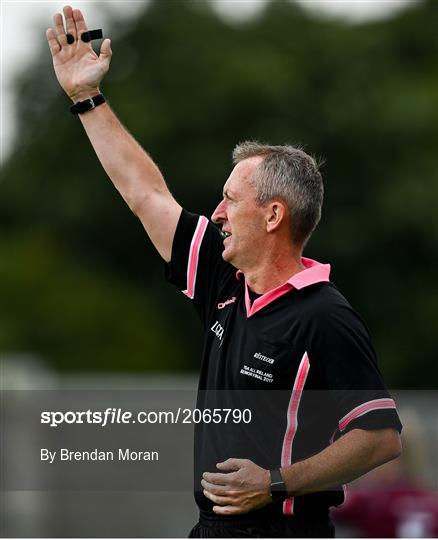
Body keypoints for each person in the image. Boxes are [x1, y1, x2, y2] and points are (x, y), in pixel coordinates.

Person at [46, 6, 403, 537]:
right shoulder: (224, 278)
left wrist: (276, 482)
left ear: (273, 215)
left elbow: (380, 437)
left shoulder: (326, 316)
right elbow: (145, 194)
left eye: (229, 200)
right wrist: (85, 97)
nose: (216, 213)